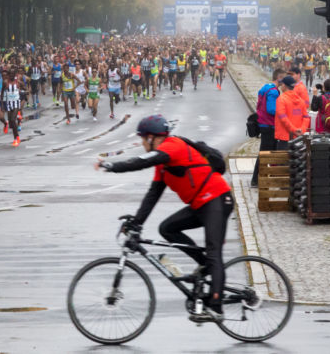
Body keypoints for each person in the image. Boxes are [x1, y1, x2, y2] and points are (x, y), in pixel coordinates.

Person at [95, 115, 233, 323]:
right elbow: (154, 193)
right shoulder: (163, 163)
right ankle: (206, 266)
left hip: (218, 200)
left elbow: (142, 162)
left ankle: (216, 307)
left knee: (214, 252)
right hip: (200, 204)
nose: (142, 144)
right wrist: (137, 223)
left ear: (152, 137)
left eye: (143, 139)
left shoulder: (173, 146)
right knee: (167, 228)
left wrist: (112, 166)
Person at [250, 69, 283, 187]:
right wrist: (282, 112)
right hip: (269, 125)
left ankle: (271, 175)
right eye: (282, 78)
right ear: (278, 77)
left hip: (263, 123)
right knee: (265, 153)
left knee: (272, 151)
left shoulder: (265, 87)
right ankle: (255, 179)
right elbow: (271, 109)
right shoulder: (273, 92)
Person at [274, 75, 308, 148]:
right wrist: (302, 130)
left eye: (282, 84)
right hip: (298, 138)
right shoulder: (301, 101)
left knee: (283, 159)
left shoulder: (281, 99)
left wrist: (293, 130)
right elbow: (306, 117)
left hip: (284, 138)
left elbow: (283, 118)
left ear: (284, 85)